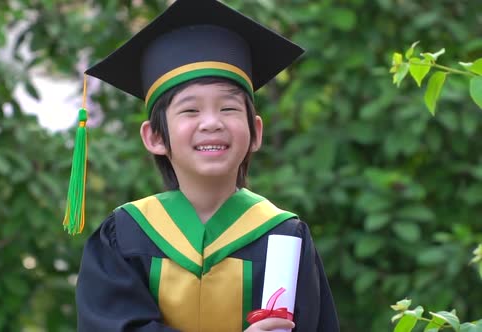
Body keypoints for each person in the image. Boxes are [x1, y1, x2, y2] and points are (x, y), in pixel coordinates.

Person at [72, 0, 339, 331]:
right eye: (190, 111)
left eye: (228, 108)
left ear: (255, 132)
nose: (212, 123)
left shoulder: (283, 236)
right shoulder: (125, 236)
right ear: (155, 137)